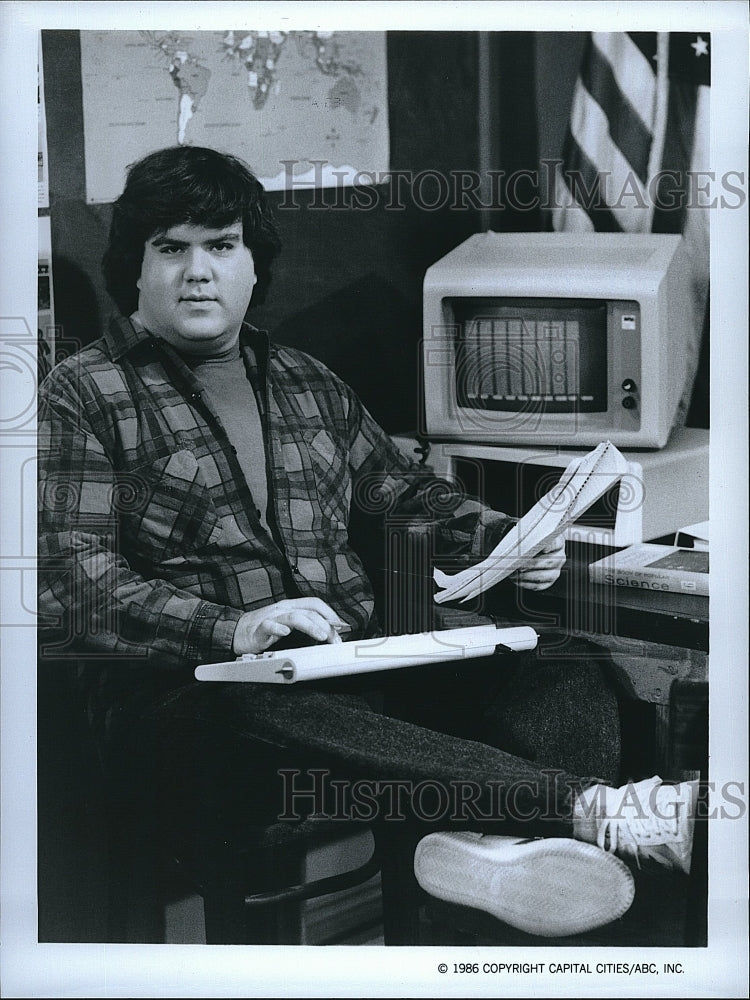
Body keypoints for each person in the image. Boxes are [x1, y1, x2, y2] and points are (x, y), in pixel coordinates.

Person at [38, 146, 696, 941]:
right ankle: (589, 814)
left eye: (221, 246)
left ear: (254, 264)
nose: (198, 272)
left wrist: (509, 538)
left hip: (348, 668)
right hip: (192, 704)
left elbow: (403, 492)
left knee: (557, 661)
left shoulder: (305, 380)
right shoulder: (82, 392)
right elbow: (74, 578)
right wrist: (234, 629)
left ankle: (494, 851)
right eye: (171, 249)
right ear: (134, 270)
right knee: (253, 696)